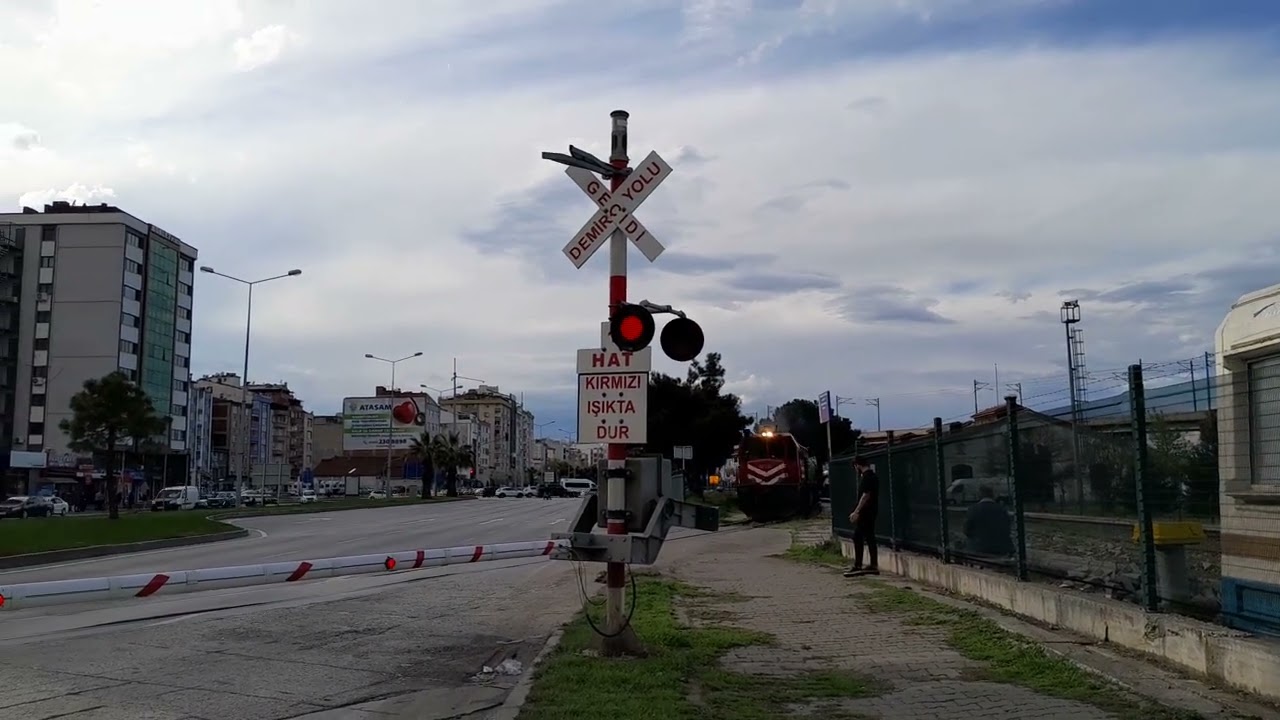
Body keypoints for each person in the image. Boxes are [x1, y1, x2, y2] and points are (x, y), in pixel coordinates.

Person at [843, 455, 880, 577]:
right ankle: (873, 565)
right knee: (870, 537)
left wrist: (856, 511)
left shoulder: (867, 478)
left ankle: (858, 565)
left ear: (857, 465)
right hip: (872, 511)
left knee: (857, 537)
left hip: (866, 512)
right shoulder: (873, 476)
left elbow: (865, 496)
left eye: (855, 467)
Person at [962, 485, 1014, 557]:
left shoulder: (973, 509)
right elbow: (1007, 529)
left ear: (979, 496)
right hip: (1002, 548)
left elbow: (966, 530)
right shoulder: (1002, 509)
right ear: (992, 495)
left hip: (979, 548)